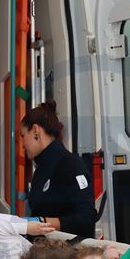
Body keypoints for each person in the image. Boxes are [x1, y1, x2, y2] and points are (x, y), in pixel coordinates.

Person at [20, 100, 97, 238]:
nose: (22, 144)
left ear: (36, 130)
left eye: (23, 136)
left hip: (66, 249)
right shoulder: (42, 168)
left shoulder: (71, 165)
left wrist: (43, 222)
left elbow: (86, 219)